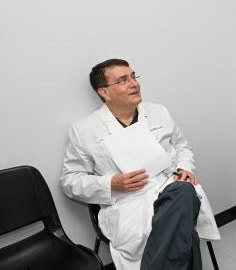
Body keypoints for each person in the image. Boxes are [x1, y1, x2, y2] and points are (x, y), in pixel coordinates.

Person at [61, 59, 219, 270]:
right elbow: (70, 181)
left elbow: (182, 147)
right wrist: (111, 183)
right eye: (123, 80)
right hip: (128, 203)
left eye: (134, 76)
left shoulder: (159, 112)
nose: (134, 83)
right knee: (184, 228)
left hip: (169, 188)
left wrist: (185, 168)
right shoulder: (84, 130)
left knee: (181, 191)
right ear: (104, 93)